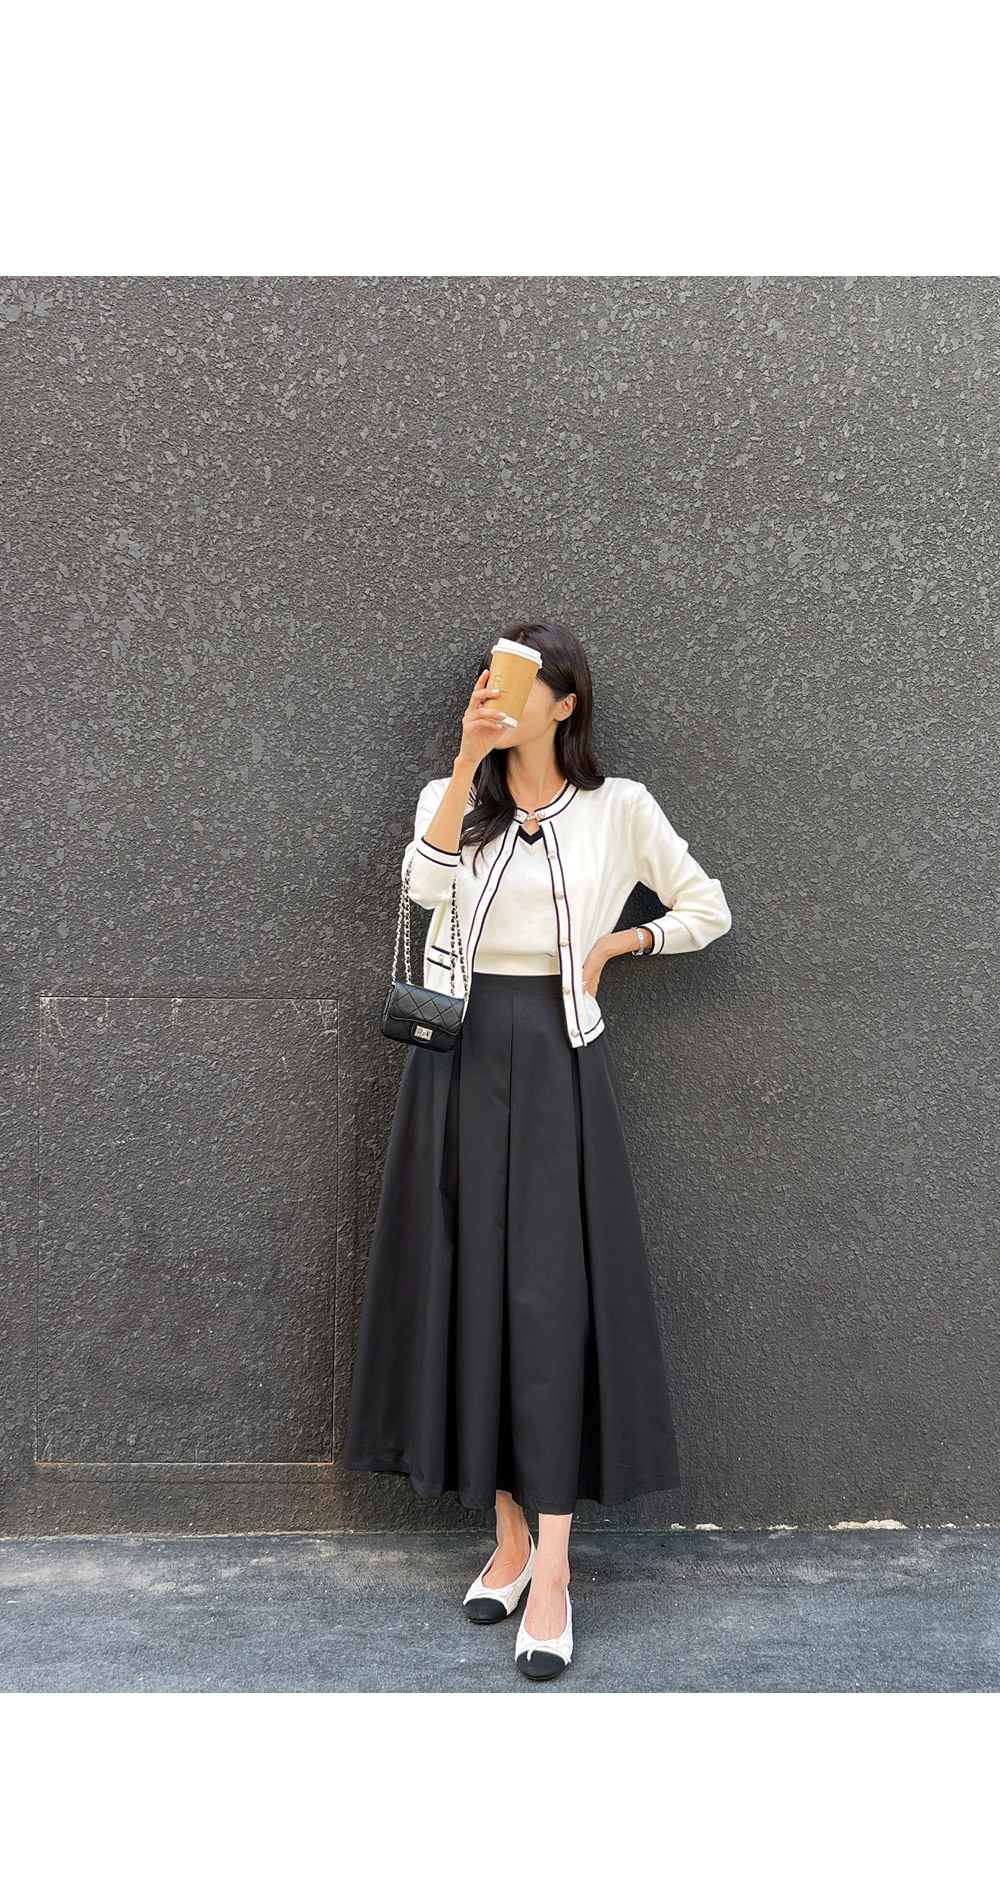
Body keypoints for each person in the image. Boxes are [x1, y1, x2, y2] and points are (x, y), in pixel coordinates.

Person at [343, 621, 732, 1680]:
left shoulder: (620, 807)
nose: (497, 694)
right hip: (455, 1064)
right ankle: (509, 1542)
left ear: (564, 703)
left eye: (519, 683)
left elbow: (706, 907)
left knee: (549, 1304)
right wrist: (465, 758)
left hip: (560, 1064)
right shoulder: (450, 799)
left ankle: (553, 1569)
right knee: (472, 1292)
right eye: (487, 680)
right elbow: (421, 891)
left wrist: (620, 942)